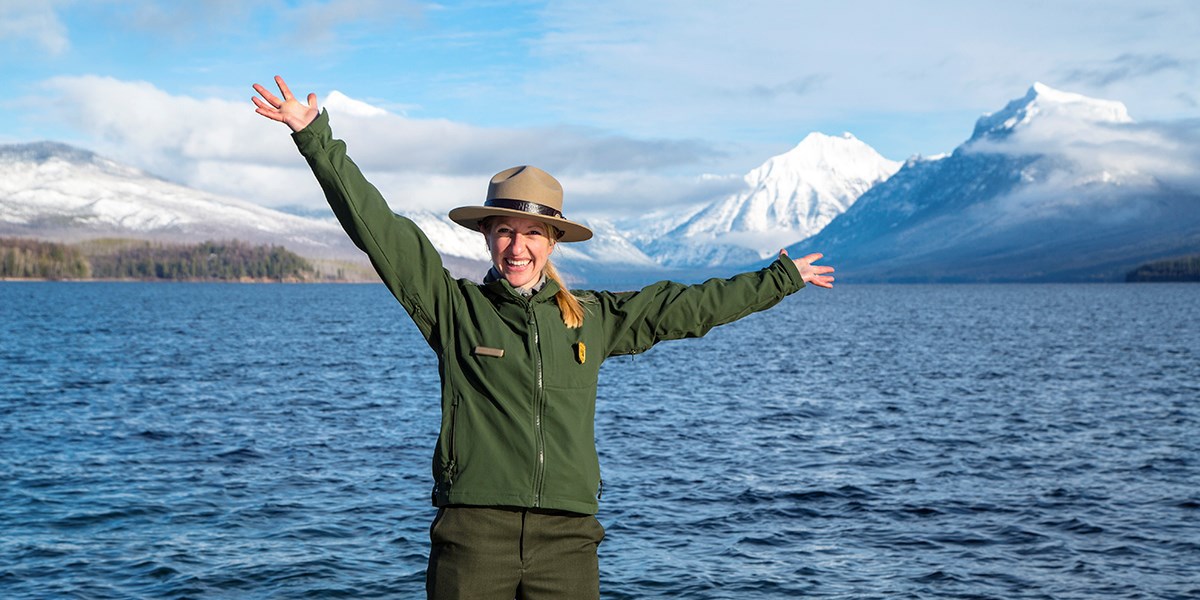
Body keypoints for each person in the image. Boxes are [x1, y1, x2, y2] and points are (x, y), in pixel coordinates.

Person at [252, 75, 834, 600]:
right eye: (504, 231)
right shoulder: (455, 310)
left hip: (569, 539)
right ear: (486, 238)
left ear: (552, 243)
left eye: (532, 233)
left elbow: (688, 307)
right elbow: (380, 232)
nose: (517, 247)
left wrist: (780, 278)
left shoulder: (590, 317)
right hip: (473, 534)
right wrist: (316, 139)